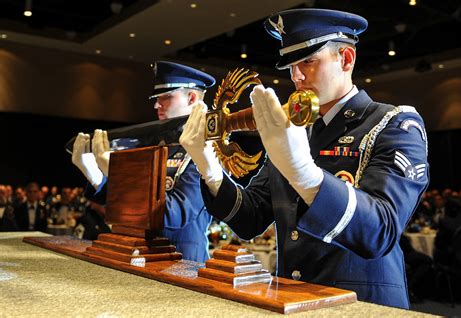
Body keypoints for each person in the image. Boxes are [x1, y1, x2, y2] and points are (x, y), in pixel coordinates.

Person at [180, 9, 429, 308]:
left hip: (362, 305)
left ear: (346, 59)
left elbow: (381, 229)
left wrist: (306, 175)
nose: (296, 76)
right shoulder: (298, 131)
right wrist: (209, 168)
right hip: (291, 299)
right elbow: (250, 218)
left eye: (308, 61)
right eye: (291, 65)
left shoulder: (392, 123)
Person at [72, 61, 214, 262]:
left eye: (166, 97)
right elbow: (124, 207)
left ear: (191, 97)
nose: (157, 105)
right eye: (157, 98)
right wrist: (95, 176)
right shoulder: (152, 142)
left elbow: (173, 215)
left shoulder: (205, 151)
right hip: (141, 255)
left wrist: (119, 176)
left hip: (182, 263)